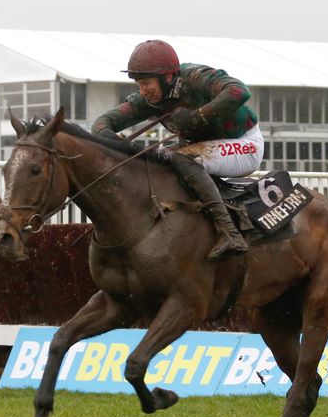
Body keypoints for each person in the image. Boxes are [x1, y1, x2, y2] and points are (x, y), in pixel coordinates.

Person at [92, 40, 264, 260]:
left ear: (168, 77)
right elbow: (102, 122)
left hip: (244, 143)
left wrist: (198, 116)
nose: (143, 91)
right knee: (157, 159)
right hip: (204, 146)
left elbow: (239, 91)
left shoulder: (195, 77)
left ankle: (229, 232)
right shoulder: (149, 99)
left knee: (181, 159)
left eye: (146, 83)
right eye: (139, 84)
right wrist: (113, 141)